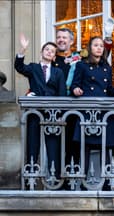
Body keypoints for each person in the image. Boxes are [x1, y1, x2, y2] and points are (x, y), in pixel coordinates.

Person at [70, 36, 114, 181]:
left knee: (106, 148)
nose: (99, 48)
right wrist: (75, 90)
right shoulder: (82, 65)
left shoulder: (107, 67)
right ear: (90, 48)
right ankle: (82, 183)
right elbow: (75, 84)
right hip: (88, 112)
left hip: (104, 112)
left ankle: (107, 184)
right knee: (85, 148)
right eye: (95, 45)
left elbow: (108, 89)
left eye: (101, 45)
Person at [14, 34, 66, 177]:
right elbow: (19, 67)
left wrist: (60, 115)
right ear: (41, 52)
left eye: (52, 51)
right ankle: (31, 177)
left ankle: (55, 178)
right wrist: (23, 50)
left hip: (52, 113)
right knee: (33, 144)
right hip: (34, 112)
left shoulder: (58, 72)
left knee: (53, 146)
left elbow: (62, 94)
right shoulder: (33, 68)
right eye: (47, 49)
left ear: (54, 57)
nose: (49, 52)